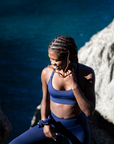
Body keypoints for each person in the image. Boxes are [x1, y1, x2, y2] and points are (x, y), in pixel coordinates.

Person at [9, 35, 95, 144]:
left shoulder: (86, 74)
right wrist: (45, 123)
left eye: (56, 60)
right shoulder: (47, 72)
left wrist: (74, 86)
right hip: (53, 123)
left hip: (77, 128)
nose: (53, 64)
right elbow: (45, 99)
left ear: (68, 56)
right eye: (50, 59)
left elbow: (89, 111)